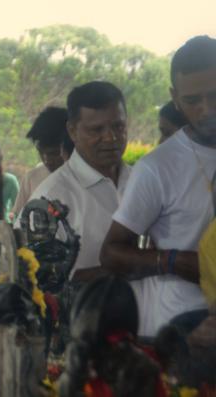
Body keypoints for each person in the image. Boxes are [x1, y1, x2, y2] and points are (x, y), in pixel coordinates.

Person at [101, 36, 216, 337]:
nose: (206, 109)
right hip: (181, 331)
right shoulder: (157, 168)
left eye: (214, 96)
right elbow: (111, 253)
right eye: (193, 101)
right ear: (175, 97)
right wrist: (175, 261)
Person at [20, 81, 130, 283]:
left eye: (118, 126)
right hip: (86, 314)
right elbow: (39, 284)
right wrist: (134, 266)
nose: (110, 138)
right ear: (72, 131)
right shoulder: (50, 198)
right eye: (96, 130)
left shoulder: (142, 180)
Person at [10, 107, 71, 218]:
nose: (47, 160)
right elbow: (19, 219)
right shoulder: (31, 178)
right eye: (41, 153)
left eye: (54, 153)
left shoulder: (88, 180)